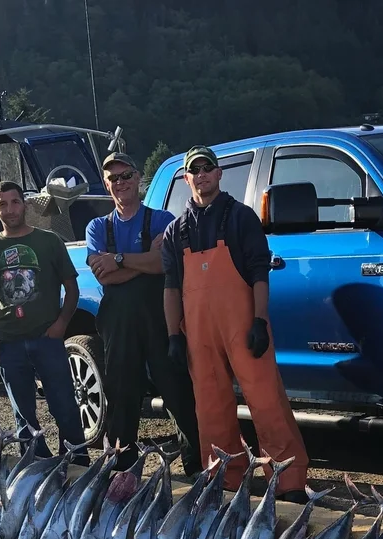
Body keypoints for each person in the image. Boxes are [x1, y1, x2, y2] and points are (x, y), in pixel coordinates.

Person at [161, 145, 309, 499]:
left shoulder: (241, 217)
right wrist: (173, 337)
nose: (201, 175)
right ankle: (225, 477)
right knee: (210, 406)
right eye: (194, 170)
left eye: (207, 168)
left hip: (243, 325)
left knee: (266, 400)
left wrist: (259, 321)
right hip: (198, 331)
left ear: (218, 173)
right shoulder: (175, 231)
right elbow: (170, 288)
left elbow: (260, 273)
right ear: (186, 178)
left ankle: (289, 481)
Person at [86, 152, 202, 477]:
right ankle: (123, 470)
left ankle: (197, 468)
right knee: (121, 396)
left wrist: (120, 259)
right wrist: (145, 258)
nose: (120, 183)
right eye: (113, 179)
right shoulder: (97, 227)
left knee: (178, 391)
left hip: (161, 319)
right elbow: (104, 276)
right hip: (118, 325)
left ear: (138, 178)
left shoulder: (163, 219)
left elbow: (162, 264)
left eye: (126, 176)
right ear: (107, 185)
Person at [0, 181, 87, 459]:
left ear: (24, 204)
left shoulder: (49, 241)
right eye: (3, 204)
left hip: (47, 338)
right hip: (9, 343)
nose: (10, 209)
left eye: (15, 202)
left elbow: (71, 288)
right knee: (23, 414)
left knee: (64, 404)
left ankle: (77, 460)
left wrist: (62, 324)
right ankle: (36, 464)